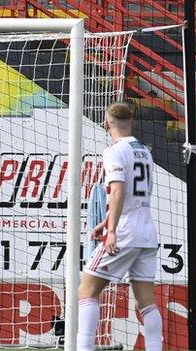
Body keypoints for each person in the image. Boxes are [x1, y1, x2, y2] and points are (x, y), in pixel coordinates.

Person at [77, 102, 162, 351]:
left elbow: (118, 190)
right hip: (146, 232)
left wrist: (111, 229)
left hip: (124, 232)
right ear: (132, 122)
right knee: (146, 302)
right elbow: (133, 195)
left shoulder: (114, 150)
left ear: (106, 124)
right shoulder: (144, 151)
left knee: (86, 291)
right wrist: (106, 222)